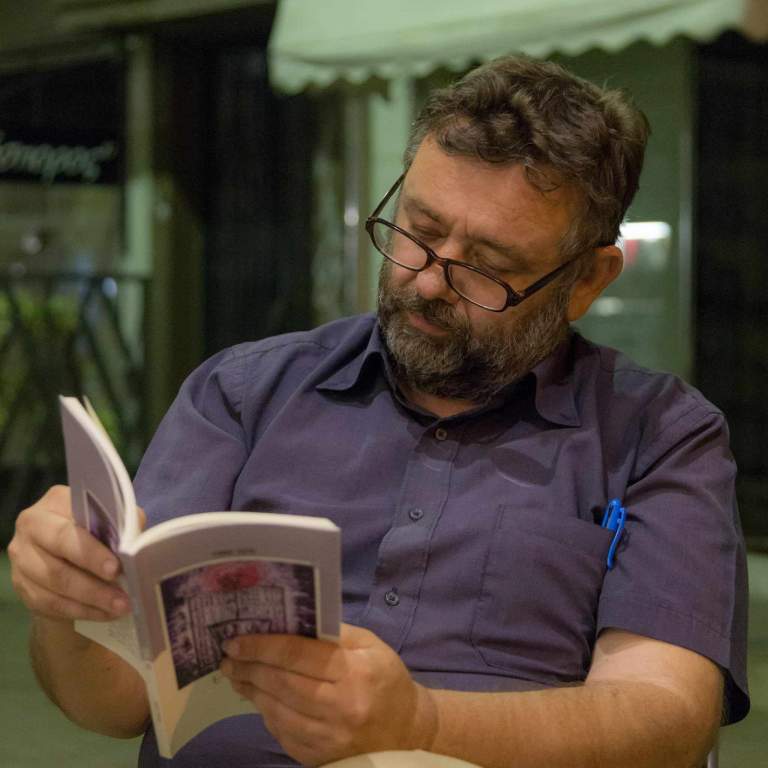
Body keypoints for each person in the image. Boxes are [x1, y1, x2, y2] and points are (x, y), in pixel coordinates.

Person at [8, 55, 748, 768]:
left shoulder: (656, 434)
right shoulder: (245, 394)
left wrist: (422, 724)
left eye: (487, 267)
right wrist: (65, 607)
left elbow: (667, 719)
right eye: (417, 232)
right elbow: (113, 701)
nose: (427, 283)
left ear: (586, 280)